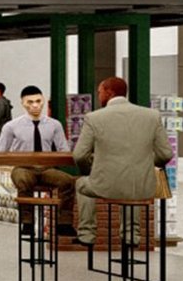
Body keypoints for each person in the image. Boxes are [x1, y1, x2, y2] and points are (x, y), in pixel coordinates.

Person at [73, 75, 173, 245]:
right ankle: (131, 235)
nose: (98, 96)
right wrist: (146, 162)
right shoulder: (151, 116)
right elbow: (165, 154)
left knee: (81, 184)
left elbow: (79, 155)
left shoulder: (94, 118)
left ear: (109, 93)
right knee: (130, 189)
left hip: (106, 186)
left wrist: (91, 168)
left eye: (100, 92)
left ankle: (87, 234)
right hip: (143, 187)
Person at [0, 85, 77, 235]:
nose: (35, 105)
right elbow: (1, 151)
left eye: (38, 101)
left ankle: (64, 223)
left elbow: (63, 149)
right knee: (22, 179)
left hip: (47, 169)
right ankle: (27, 221)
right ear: (23, 103)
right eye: (30, 102)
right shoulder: (11, 126)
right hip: (23, 167)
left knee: (67, 181)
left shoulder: (54, 125)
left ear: (43, 102)